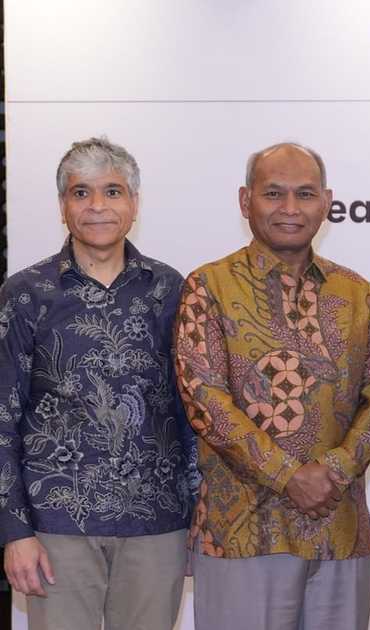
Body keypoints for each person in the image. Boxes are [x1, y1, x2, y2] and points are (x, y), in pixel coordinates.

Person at [174, 142, 370, 630]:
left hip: (339, 532)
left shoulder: (355, 292)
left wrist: (333, 470)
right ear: (245, 200)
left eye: (305, 194)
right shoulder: (209, 286)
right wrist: (289, 476)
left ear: (327, 202)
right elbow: (205, 400)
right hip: (243, 532)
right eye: (273, 193)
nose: (290, 208)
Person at [0, 137, 196, 629]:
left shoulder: (170, 289)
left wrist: (198, 512)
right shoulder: (26, 293)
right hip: (56, 525)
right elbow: (2, 416)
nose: (97, 206)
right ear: (62, 206)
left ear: (134, 203)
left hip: (157, 523)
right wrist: (14, 531)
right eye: (81, 192)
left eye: (112, 191)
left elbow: (191, 411)